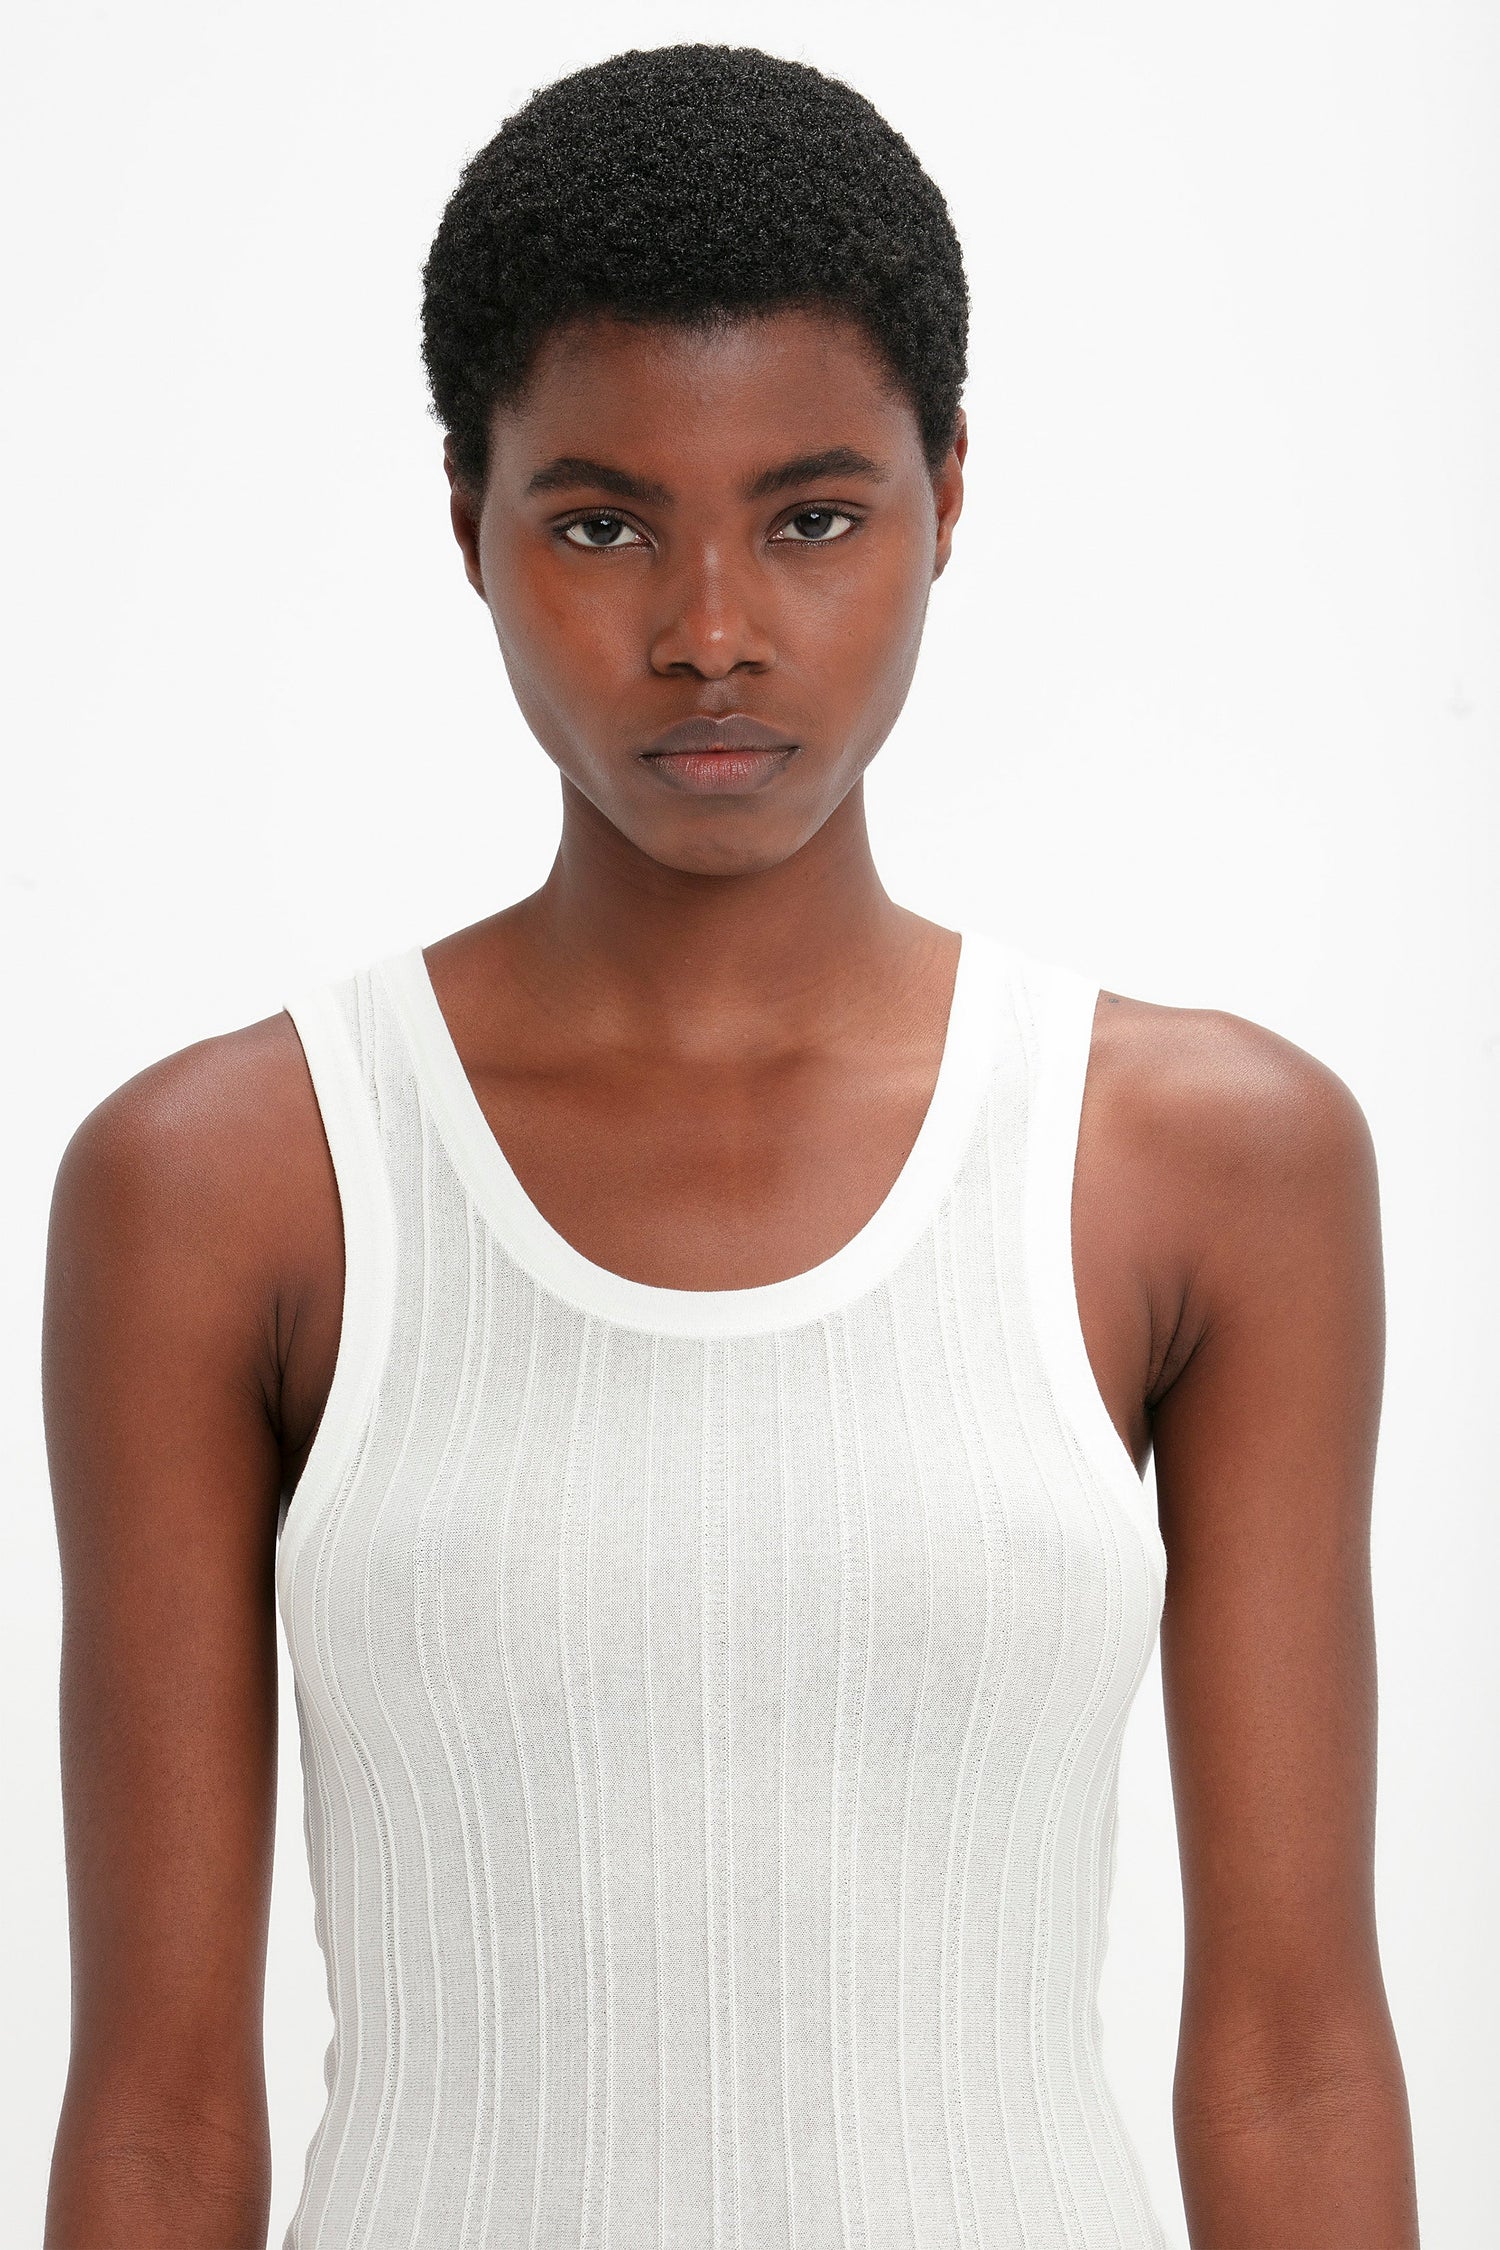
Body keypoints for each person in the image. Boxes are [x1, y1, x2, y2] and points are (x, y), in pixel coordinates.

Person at [41, 40, 1419, 2250]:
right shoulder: (226, 1189)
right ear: (465, 525)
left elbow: (1289, 2053)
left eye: (812, 515)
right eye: (599, 520)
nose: (708, 632)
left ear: (948, 496)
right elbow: (161, 2109)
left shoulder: (1199, 1169)